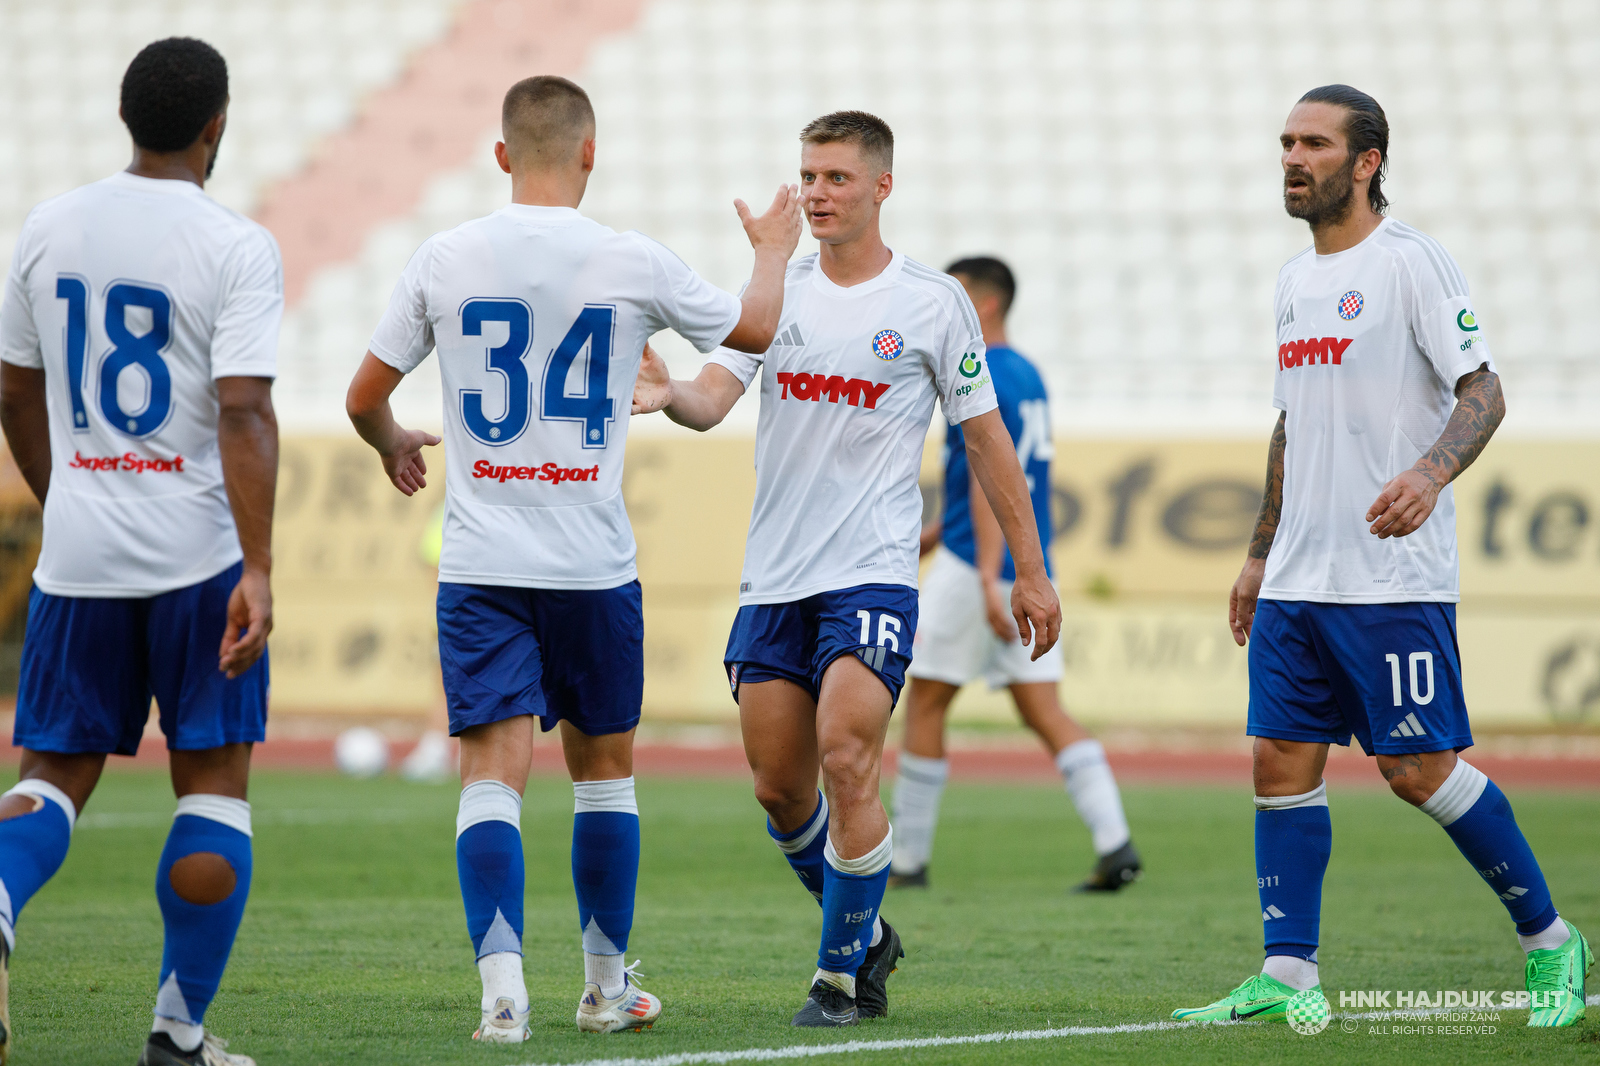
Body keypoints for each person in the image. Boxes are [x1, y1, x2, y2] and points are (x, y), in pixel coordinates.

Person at [345, 75, 800, 1042]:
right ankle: (602, 990)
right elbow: (755, 335)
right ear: (590, 153)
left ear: (502, 155)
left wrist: (390, 440)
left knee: (490, 778)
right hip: (591, 564)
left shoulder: (446, 256)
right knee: (605, 776)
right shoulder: (631, 260)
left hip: (481, 564)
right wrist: (770, 252)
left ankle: (501, 993)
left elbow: (361, 397)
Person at [632, 111, 1061, 1028]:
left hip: (872, 574)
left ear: (881, 187)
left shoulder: (932, 303)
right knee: (780, 791)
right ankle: (868, 937)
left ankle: (836, 981)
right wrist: (669, 392)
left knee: (845, 756)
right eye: (808, 177)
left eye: (835, 178)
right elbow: (714, 401)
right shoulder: (773, 295)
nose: (818, 193)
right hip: (775, 578)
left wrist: (1031, 570)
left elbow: (986, 445)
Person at [1173, 85, 1589, 1027]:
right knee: (1280, 760)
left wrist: (1432, 474)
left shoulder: (1413, 265)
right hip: (1295, 579)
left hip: (1389, 577)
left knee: (1418, 771)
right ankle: (1288, 976)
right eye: (1286, 141)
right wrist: (1255, 557)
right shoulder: (1291, 281)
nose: (1293, 157)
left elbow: (1483, 390)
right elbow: (1291, 426)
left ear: (1367, 162)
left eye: (1314, 143)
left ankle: (1552, 942)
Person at [0, 38, 280, 1066]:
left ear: (129, 118)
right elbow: (244, 410)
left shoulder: (50, 226)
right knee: (210, 788)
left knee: (53, 774)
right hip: (198, 555)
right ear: (216, 125)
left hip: (80, 556)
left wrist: (70, 494)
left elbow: (14, 392)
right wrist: (257, 565)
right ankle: (177, 1033)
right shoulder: (234, 243)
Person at [888, 256, 1140, 894]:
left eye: (959, 294)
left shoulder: (982, 367)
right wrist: (937, 537)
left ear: (987, 303)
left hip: (979, 565)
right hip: (1028, 565)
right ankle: (1116, 842)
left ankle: (909, 861)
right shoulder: (1027, 372)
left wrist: (984, 578)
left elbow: (985, 474)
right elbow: (1018, 475)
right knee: (1046, 711)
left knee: (925, 701)